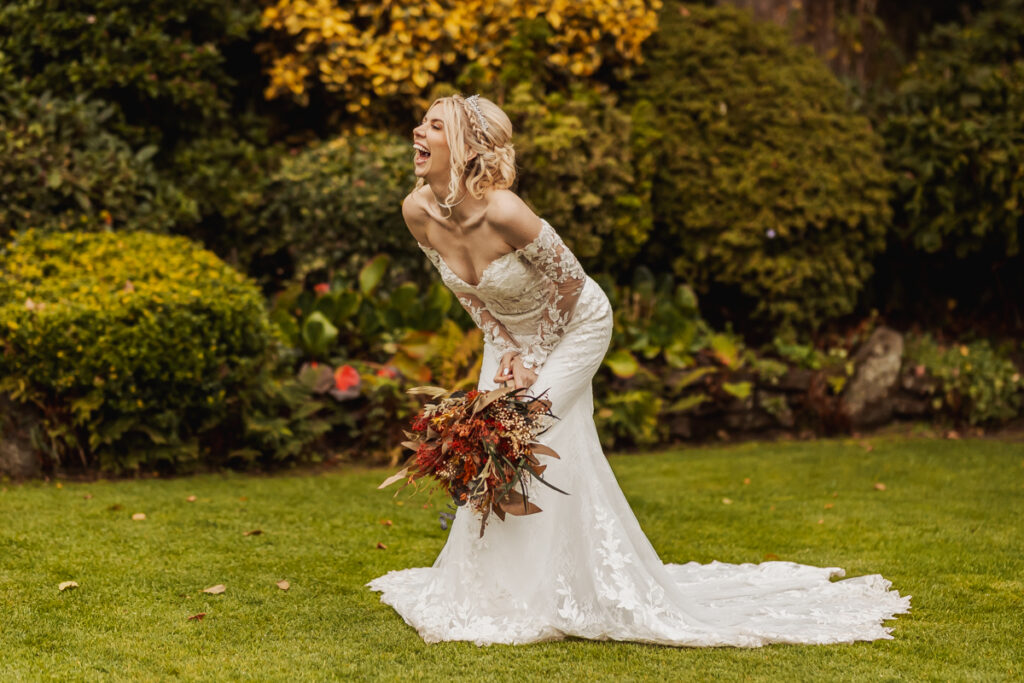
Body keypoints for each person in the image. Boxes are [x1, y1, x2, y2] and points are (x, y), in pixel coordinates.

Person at [366, 93, 911, 647]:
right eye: (422, 122)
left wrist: (534, 359)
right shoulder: (416, 210)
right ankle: (487, 591)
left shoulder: (505, 210)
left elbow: (573, 286)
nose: (418, 131)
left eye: (433, 125)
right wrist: (505, 347)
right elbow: (466, 292)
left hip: (574, 325)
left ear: (462, 146)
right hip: (507, 337)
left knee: (526, 433)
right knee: (489, 446)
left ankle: (568, 589)